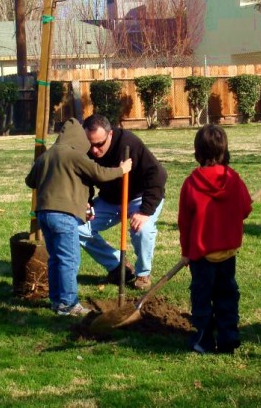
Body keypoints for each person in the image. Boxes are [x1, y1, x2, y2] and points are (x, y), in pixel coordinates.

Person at [25, 117, 132, 316]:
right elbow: (99, 173)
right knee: (69, 259)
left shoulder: (46, 156)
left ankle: (57, 301)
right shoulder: (74, 155)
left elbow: (30, 181)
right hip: (64, 217)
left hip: (44, 215)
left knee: (56, 258)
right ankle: (68, 304)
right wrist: (122, 170)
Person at [178, 124, 253, 354]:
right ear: (224, 151)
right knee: (227, 295)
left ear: (197, 152)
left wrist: (186, 251)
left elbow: (185, 222)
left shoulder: (191, 184)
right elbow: (245, 210)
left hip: (202, 255)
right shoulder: (233, 179)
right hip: (227, 253)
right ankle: (228, 336)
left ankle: (204, 340)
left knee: (202, 298)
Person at [78, 114, 167, 291]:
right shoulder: (84, 149)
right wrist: (85, 201)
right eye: (91, 144)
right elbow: (83, 178)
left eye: (99, 144)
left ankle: (143, 273)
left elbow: (157, 175)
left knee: (142, 229)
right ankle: (119, 266)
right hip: (109, 200)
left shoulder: (129, 143)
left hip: (140, 198)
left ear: (110, 135)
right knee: (77, 226)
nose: (94, 150)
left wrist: (145, 211)